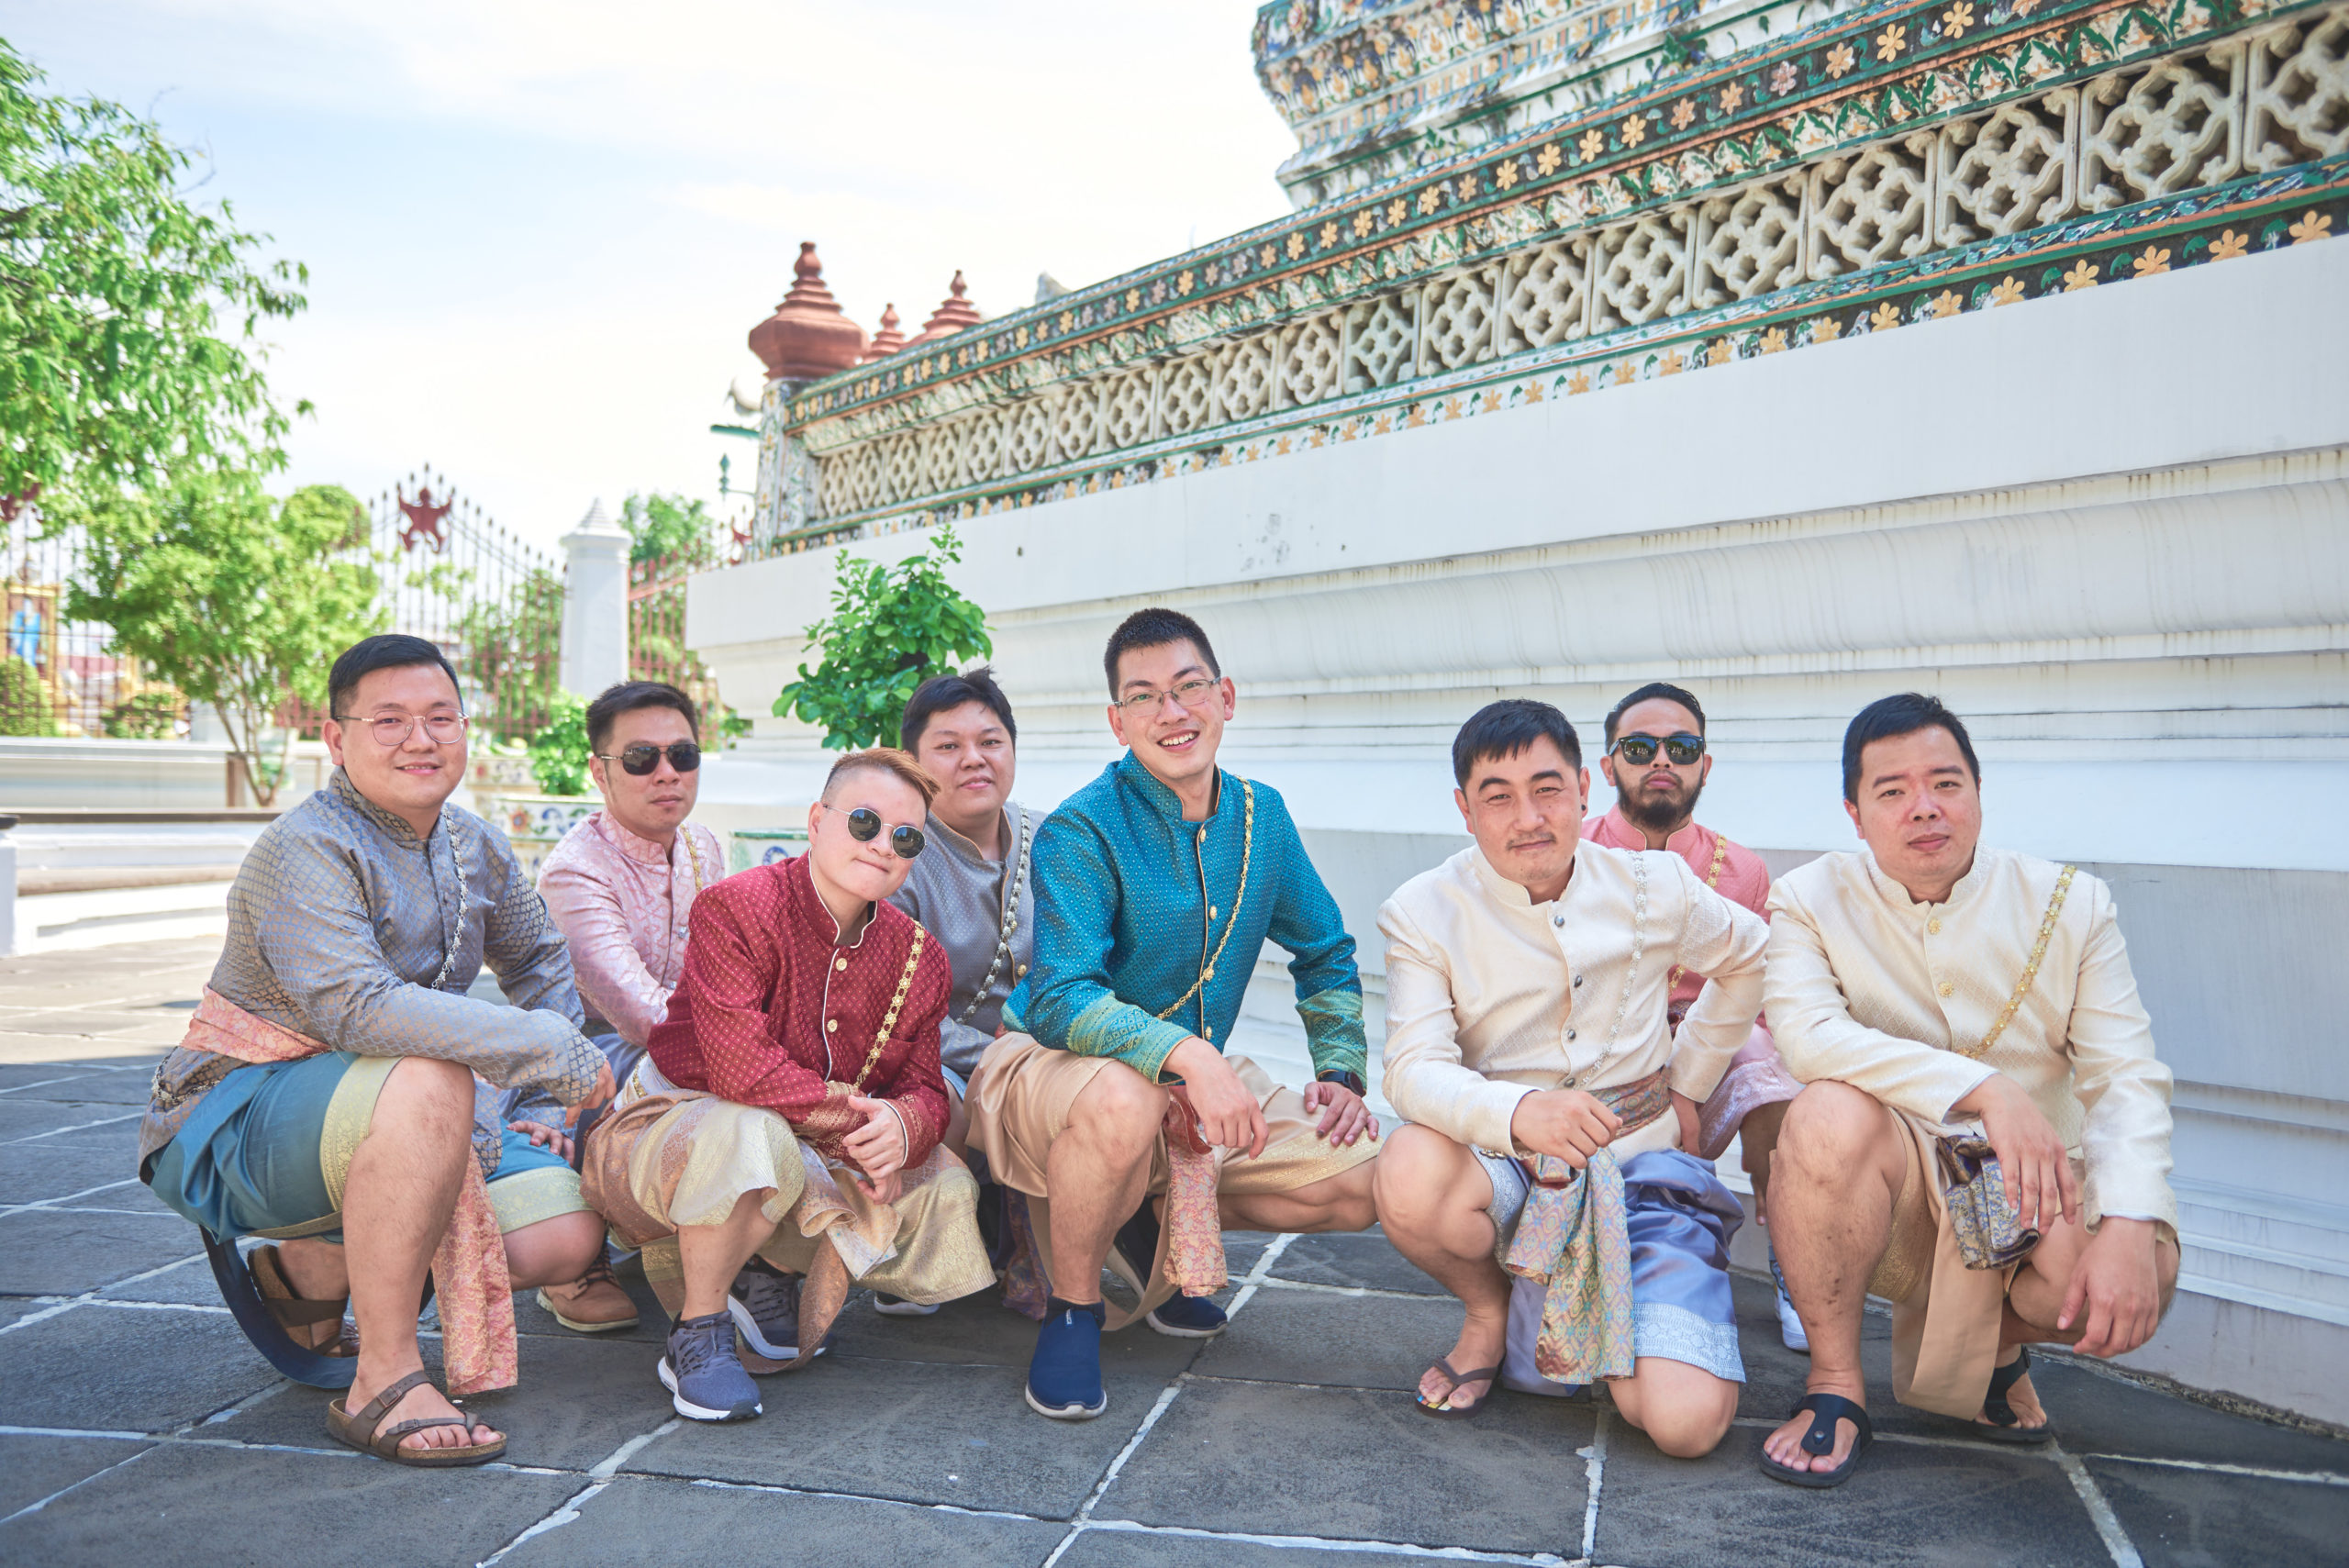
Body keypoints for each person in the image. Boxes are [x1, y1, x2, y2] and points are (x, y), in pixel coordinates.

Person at [137, 634, 612, 1467]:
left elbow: (540, 959)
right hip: (237, 1111)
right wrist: (546, 1050)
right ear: (336, 738)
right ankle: (383, 1379)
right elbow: (360, 1010)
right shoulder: (305, 846)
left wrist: (541, 1103)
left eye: (440, 717)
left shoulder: (474, 842)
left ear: (465, 728)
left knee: (565, 1237)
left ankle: (312, 1271)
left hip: (397, 1112)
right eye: (388, 720)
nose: (419, 739)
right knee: (430, 1074)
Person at [966, 606, 1389, 1422]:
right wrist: (1191, 1057)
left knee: (1363, 1174)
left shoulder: (1262, 818)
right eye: (1145, 696)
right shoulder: (1082, 827)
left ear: (1225, 697)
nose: (1172, 711)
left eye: (1189, 686)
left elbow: (1327, 951)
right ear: (1117, 721)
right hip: (1046, 1066)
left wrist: (1339, 1072)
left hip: (1183, 1081)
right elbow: (1061, 995)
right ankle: (1074, 1309)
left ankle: (1149, 1222)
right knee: (1129, 1098)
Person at [1758, 694, 2179, 1488]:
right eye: (1892, 791)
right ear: (1855, 814)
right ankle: (1836, 1383)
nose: (1924, 807)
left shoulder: (2072, 902)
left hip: (2037, 1181)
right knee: (1822, 1115)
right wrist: (1984, 1089)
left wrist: (2129, 1219)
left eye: (1945, 783)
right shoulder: (1808, 898)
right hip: (1904, 1189)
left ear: (1979, 792)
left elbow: (2126, 1074)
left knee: (2147, 1267)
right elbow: (1807, 1036)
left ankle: (1982, 1346)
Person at [1374, 699, 1767, 1455]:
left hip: (1641, 1172)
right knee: (1410, 1167)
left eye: (1547, 788)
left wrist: (1689, 1080)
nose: (1528, 818)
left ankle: (1610, 1315)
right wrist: (1521, 1111)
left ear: (1585, 788)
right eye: (1498, 796)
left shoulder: (1657, 883)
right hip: (1510, 1170)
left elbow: (1751, 955)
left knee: (1684, 1424)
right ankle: (1492, 1313)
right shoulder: (1422, 910)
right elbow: (1412, 1068)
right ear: (1464, 808)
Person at [580, 747, 994, 1423]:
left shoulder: (920, 956)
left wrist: (903, 1126)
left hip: (805, 1137)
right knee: (753, 1130)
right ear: (816, 820)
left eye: (905, 837)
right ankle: (698, 1328)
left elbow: (924, 1084)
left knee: (941, 1177)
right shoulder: (737, 908)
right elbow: (742, 1071)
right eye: (865, 822)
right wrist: (860, 1120)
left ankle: (766, 1271)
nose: (882, 845)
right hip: (673, 1127)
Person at [1583, 681, 1808, 1351]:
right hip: (1598, 1051)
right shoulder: (1574, 851)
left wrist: (1690, 1075)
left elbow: (1758, 998)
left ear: (1704, 765)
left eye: (1681, 748)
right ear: (1608, 766)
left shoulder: (1742, 869)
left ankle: (1798, 1266)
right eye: (1639, 747)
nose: (1662, 760)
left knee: (1776, 1076)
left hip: (1706, 1049)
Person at [510, 680, 725, 1337]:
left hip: (694, 1040)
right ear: (598, 771)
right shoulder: (576, 871)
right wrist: (748, 1043)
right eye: (640, 758)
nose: (666, 773)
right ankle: (579, 1254)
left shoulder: (703, 846)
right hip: (588, 1061)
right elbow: (639, 1016)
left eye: (682, 755)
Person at [885, 665, 1038, 1318]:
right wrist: (1003, 1055)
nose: (974, 758)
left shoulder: (1056, 839)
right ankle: (918, 1250)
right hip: (934, 1062)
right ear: (915, 766)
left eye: (990, 741)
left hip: (1048, 1048)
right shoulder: (898, 859)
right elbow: (897, 1016)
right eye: (948, 746)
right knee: (939, 1105)